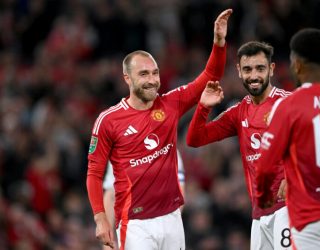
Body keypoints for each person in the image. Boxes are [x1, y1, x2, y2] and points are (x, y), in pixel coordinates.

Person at [86, 8, 232, 250]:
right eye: (143, 74)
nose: (152, 79)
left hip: (172, 218)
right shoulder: (108, 120)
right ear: (127, 79)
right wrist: (100, 218)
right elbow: (94, 173)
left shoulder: (171, 104)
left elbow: (210, 75)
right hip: (135, 224)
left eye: (155, 73)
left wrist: (218, 43)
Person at [186, 41, 292, 250]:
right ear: (239, 72)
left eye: (260, 68)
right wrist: (204, 107)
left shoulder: (288, 104)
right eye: (247, 69)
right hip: (259, 214)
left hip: (289, 208)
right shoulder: (238, 112)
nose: (254, 75)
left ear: (271, 69)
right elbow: (195, 138)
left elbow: (311, 145)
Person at [256, 28, 320, 250]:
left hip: (310, 221)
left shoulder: (289, 106)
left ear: (296, 64)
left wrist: (263, 198)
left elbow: (265, 165)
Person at [102, 150, 186, 250]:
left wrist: (167, 227)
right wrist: (107, 242)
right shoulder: (119, 149)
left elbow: (179, 191)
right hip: (135, 226)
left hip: (167, 221)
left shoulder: (168, 144)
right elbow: (111, 195)